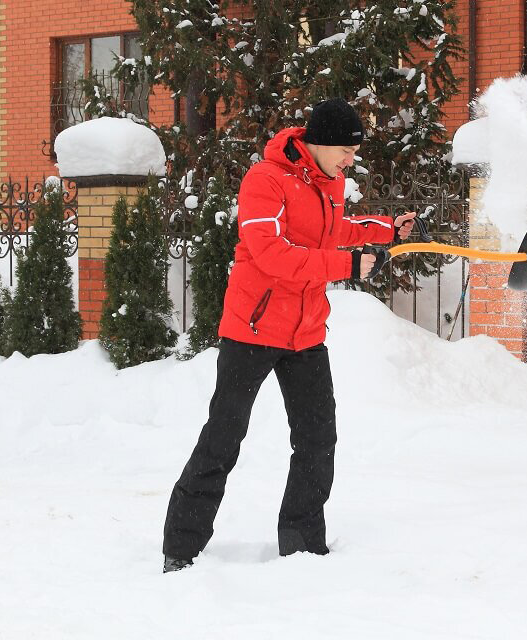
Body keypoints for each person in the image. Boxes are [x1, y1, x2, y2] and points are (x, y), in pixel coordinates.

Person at [162, 98, 416, 572]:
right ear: (316, 142)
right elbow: (271, 252)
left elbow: (329, 229)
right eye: (344, 149)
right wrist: (348, 266)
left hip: (305, 333)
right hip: (253, 329)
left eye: (352, 152)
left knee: (318, 440)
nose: (350, 160)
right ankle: (180, 547)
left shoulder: (331, 182)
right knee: (224, 437)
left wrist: (384, 231)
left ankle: (301, 545)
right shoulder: (265, 179)